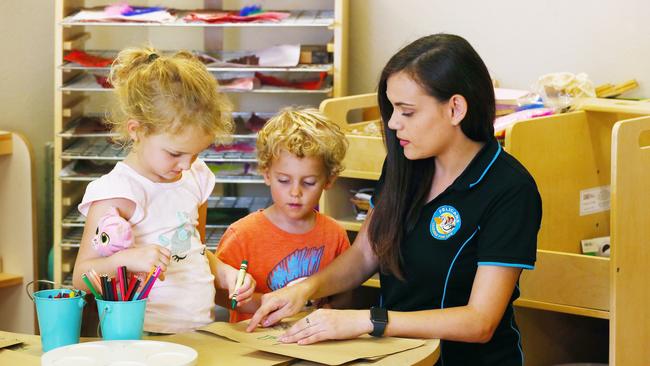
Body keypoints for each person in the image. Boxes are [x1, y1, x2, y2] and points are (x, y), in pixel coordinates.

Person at [246, 34, 542, 366]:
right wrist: (304, 290)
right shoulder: (405, 164)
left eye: (407, 111)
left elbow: (479, 322)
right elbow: (364, 255)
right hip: (396, 357)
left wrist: (368, 321)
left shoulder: (509, 189)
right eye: (391, 108)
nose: (392, 122)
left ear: (456, 108)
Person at [72, 46, 255, 334]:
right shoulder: (118, 192)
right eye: (174, 153)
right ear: (137, 130)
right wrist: (126, 260)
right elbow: (81, 277)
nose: (185, 164)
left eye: (195, 154)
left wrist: (224, 272)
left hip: (199, 329)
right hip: (140, 335)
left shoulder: (194, 176)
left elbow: (191, 250)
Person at [216, 107, 351, 322]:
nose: (295, 192)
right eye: (284, 180)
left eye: (308, 182)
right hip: (253, 344)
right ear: (266, 173)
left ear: (329, 181)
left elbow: (346, 294)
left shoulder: (335, 235)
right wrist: (274, 302)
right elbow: (220, 295)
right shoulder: (241, 235)